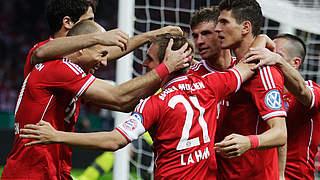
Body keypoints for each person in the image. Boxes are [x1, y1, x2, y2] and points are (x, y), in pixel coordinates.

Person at [19, 33, 257, 179]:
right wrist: (265, 43)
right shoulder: (213, 84)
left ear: (167, 62)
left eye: (149, 58)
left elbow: (113, 141)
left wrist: (56, 136)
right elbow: (249, 65)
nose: (143, 63)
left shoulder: (154, 103)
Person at [1, 21, 190, 179]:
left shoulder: (62, 71)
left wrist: (153, 38)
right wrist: (166, 67)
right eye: (101, 54)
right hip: (32, 173)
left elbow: (124, 104)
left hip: (50, 170)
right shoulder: (61, 68)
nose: (105, 62)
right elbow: (118, 97)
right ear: (82, 47)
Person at [213, 0, 287, 179]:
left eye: (224, 22)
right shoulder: (233, 70)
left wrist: (248, 141)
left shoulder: (264, 72)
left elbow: (280, 133)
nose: (217, 28)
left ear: (245, 27)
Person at [25, 0, 183, 79]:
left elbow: (108, 53)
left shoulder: (75, 58)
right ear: (67, 22)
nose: (93, 25)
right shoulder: (45, 54)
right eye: (89, 20)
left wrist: (150, 36)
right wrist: (99, 37)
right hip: (39, 142)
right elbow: (117, 98)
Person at [244, 34, 320, 180]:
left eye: (276, 53)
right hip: (263, 174)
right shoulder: (263, 89)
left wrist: (278, 61)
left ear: (295, 63)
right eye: (268, 51)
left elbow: (302, 91)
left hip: (295, 176)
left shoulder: (312, 90)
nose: (268, 56)